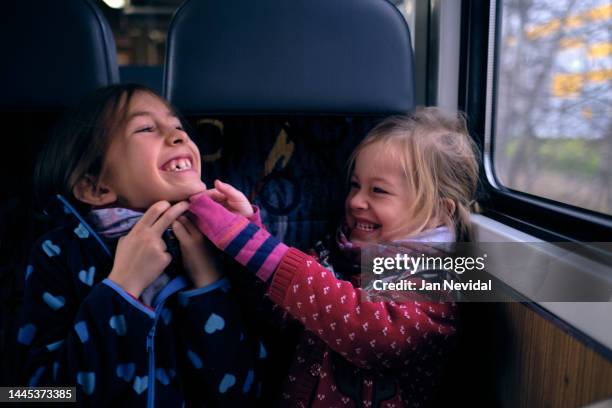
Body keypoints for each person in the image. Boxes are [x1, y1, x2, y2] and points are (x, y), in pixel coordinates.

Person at [188, 107, 480, 407]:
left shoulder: (434, 278)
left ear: (437, 212)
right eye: (355, 185)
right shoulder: (336, 250)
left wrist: (258, 248)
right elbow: (277, 312)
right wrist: (249, 228)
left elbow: (368, 330)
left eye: (378, 191)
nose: (355, 201)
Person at [17, 84, 264, 407]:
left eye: (177, 126)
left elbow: (246, 395)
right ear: (96, 187)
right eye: (146, 128)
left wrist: (209, 281)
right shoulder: (58, 254)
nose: (179, 137)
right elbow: (30, 396)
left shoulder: (216, 247)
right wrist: (122, 288)